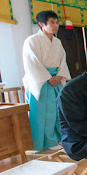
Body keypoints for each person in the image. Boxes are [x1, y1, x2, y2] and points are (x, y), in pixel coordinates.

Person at [22, 10, 71, 151]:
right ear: (42, 24)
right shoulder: (32, 41)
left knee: (58, 111)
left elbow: (63, 61)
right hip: (41, 81)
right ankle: (45, 142)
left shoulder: (57, 42)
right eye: (52, 22)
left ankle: (58, 138)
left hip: (55, 78)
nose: (56, 25)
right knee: (43, 113)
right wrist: (48, 78)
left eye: (57, 22)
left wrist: (60, 75)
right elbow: (31, 63)